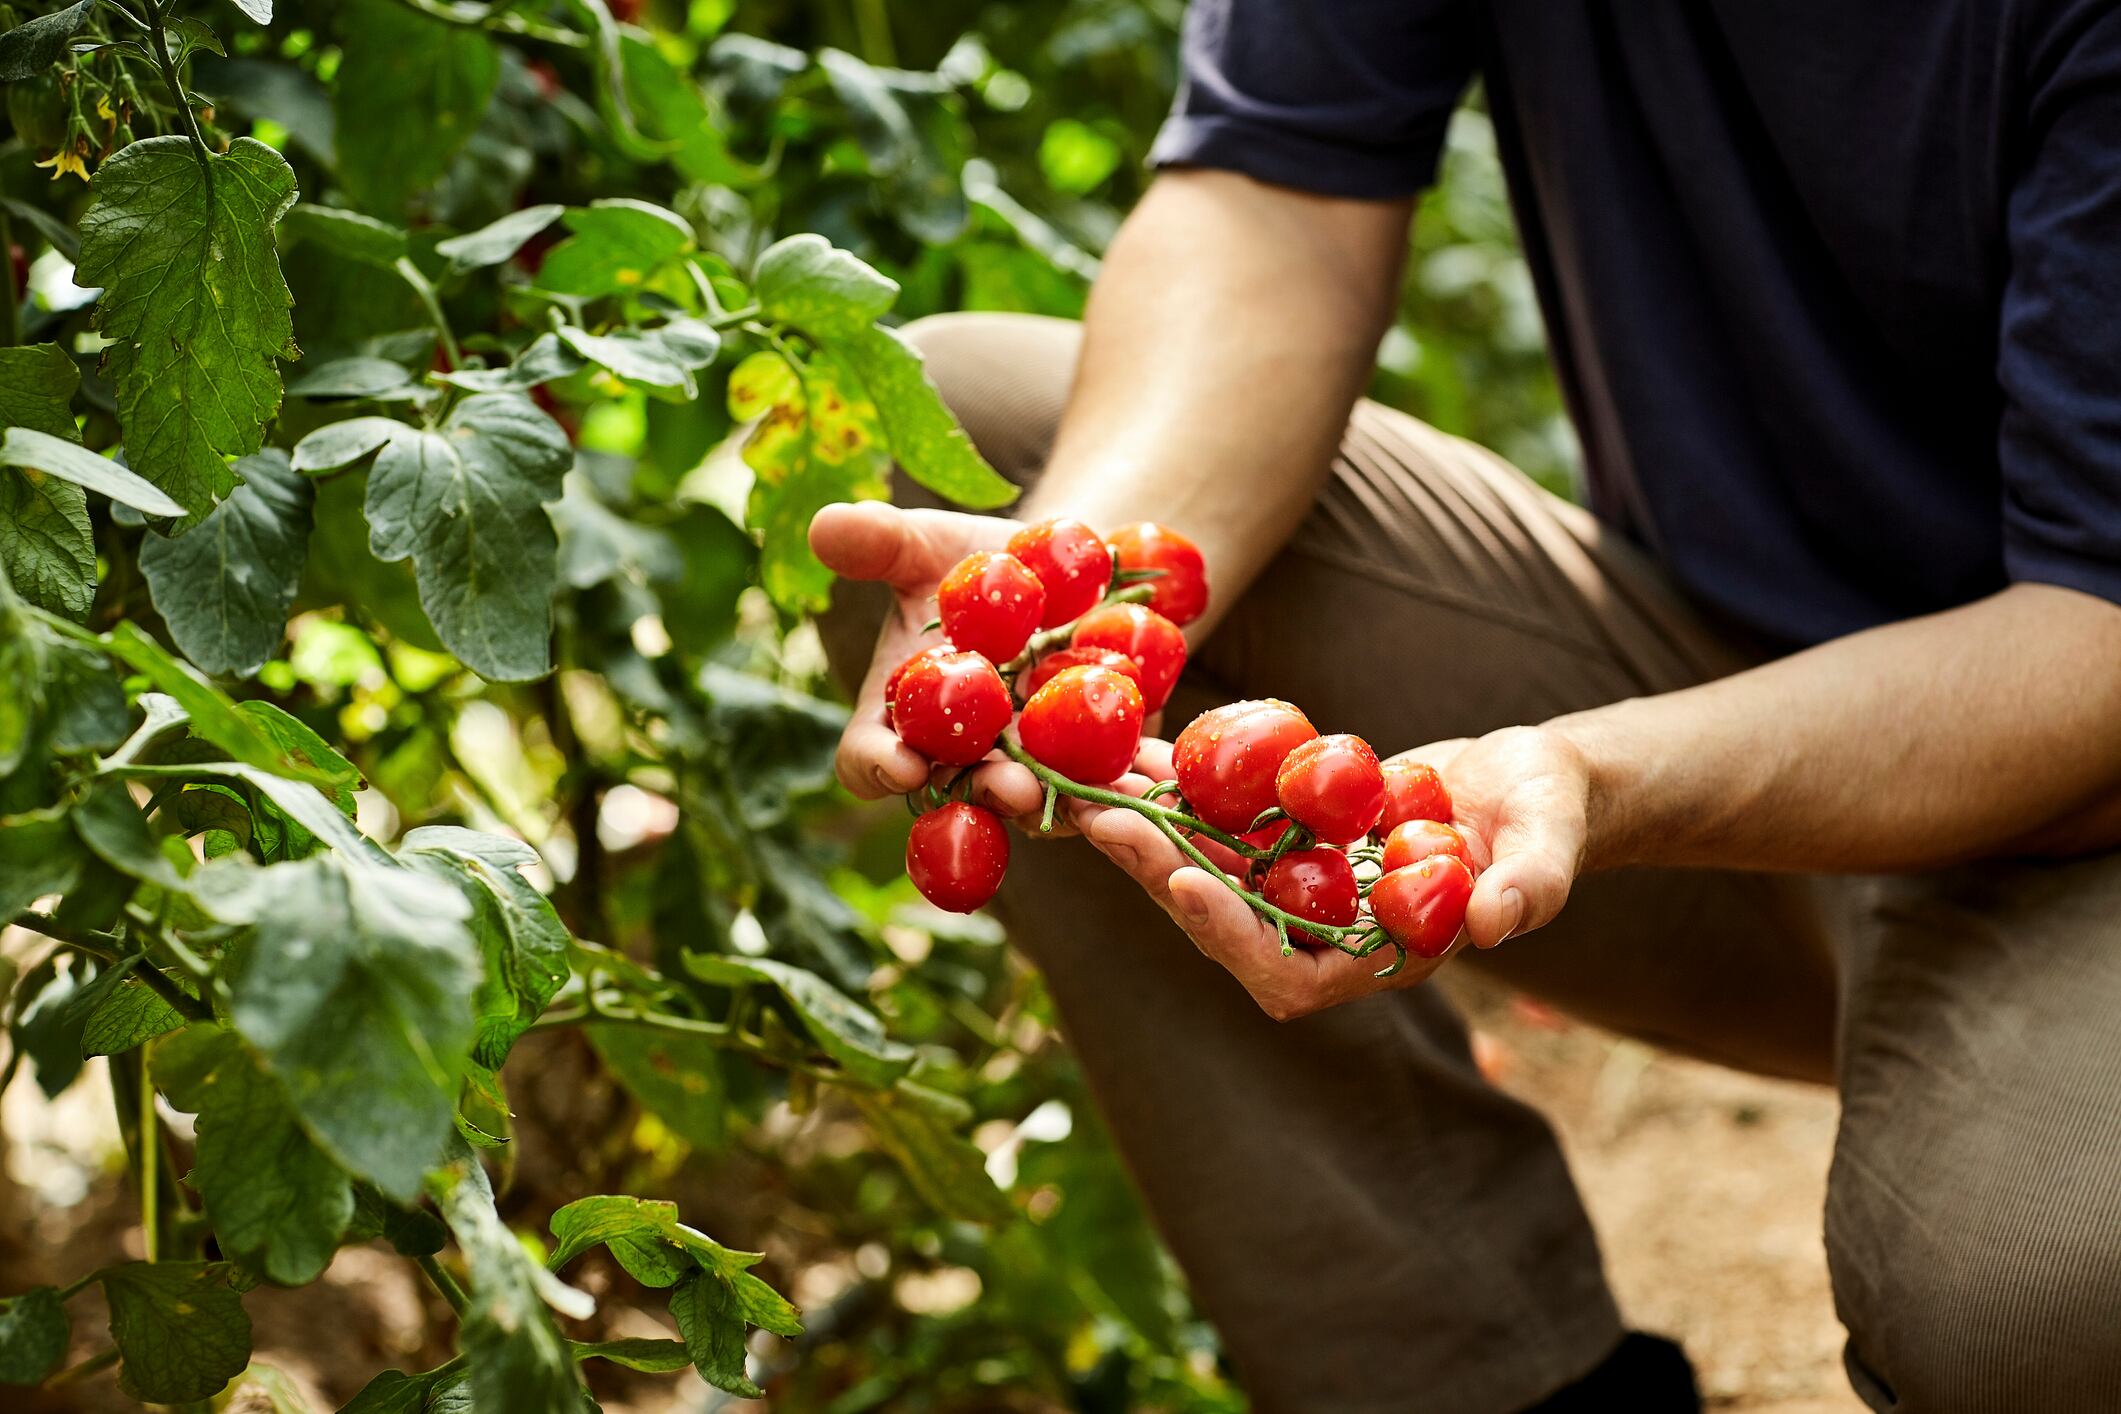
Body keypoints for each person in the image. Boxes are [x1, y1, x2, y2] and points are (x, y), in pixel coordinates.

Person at [809, 2, 2121, 1409]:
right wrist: (1069, 606)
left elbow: (2097, 633)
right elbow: (1278, 204)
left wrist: (1595, 776)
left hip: (2078, 785)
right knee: (976, 452)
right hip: (1705, 670)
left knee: (2034, 1296)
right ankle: (1500, 1384)